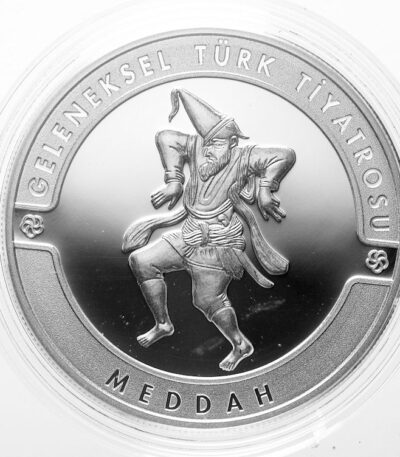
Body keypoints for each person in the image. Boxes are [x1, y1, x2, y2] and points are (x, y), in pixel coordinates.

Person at [123, 88, 296, 371]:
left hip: (219, 245)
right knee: (141, 261)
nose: (208, 150)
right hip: (188, 236)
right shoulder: (197, 148)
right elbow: (165, 137)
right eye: (206, 142)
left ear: (232, 142)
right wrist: (174, 181)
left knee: (206, 301)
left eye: (216, 143)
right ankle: (163, 324)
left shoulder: (244, 157)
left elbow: (283, 155)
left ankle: (240, 344)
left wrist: (265, 189)